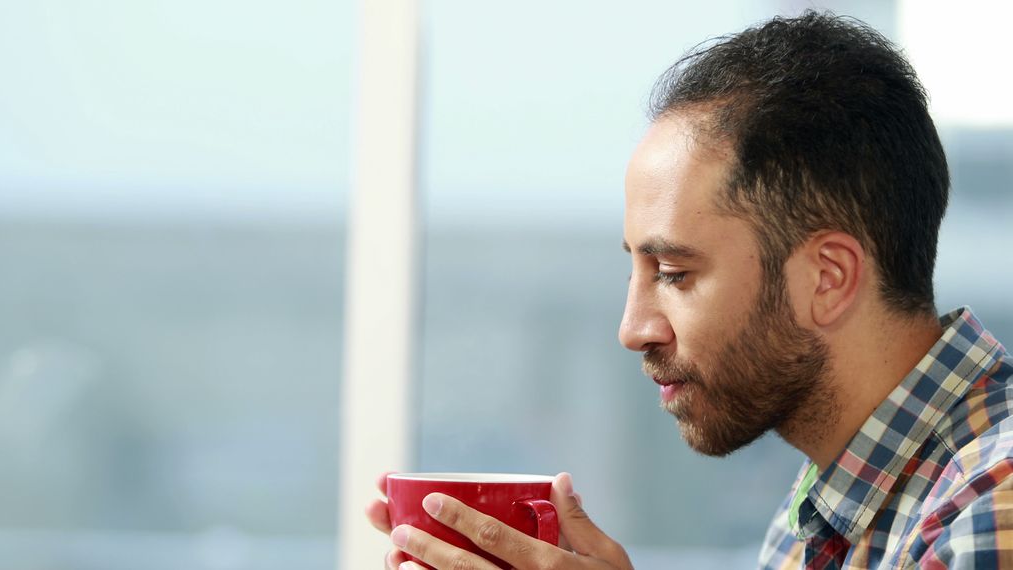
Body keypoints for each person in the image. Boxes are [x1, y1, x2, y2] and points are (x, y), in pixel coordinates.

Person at [366, 10, 1013, 569]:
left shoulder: (991, 505)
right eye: (636, 273)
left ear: (829, 278)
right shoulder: (820, 515)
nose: (633, 327)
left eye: (674, 274)